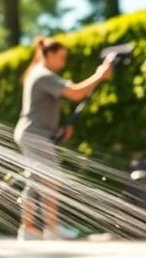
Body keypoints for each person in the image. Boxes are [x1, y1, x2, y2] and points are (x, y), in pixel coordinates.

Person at [13, 37, 114, 241]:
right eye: (61, 58)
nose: (63, 63)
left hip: (32, 133)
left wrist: (59, 128)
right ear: (48, 54)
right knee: (51, 179)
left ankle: (28, 229)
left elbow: (41, 109)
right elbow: (76, 93)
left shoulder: (38, 74)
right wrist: (99, 74)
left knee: (35, 181)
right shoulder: (43, 74)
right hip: (35, 135)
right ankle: (51, 228)